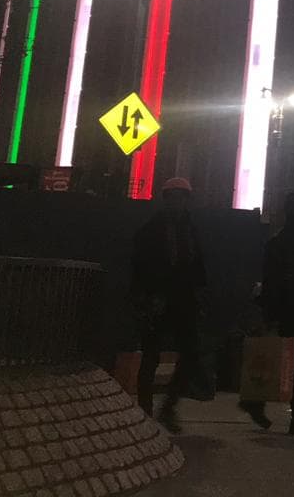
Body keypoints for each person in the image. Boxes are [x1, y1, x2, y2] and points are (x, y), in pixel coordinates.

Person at [240, 192, 294, 436]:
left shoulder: (287, 241)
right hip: (290, 310)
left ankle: (258, 403)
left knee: (284, 361)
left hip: (287, 310)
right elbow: (282, 280)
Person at [131, 176, 206, 434]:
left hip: (182, 300)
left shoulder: (189, 229)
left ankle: (166, 407)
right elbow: (141, 267)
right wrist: (148, 298)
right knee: (151, 356)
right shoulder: (152, 231)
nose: (178, 202)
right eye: (174, 197)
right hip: (159, 300)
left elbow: (197, 265)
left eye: (181, 197)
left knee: (190, 354)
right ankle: (146, 410)